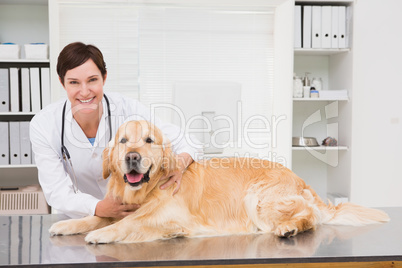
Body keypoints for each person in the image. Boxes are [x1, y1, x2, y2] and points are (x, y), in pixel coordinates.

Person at [30, 42, 201, 219]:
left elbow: (189, 141)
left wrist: (179, 164)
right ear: (62, 82)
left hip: (134, 214)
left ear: (104, 78)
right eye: (74, 82)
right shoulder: (45, 124)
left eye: (92, 80)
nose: (84, 92)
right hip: (81, 217)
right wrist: (96, 207)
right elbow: (56, 191)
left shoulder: (128, 109)